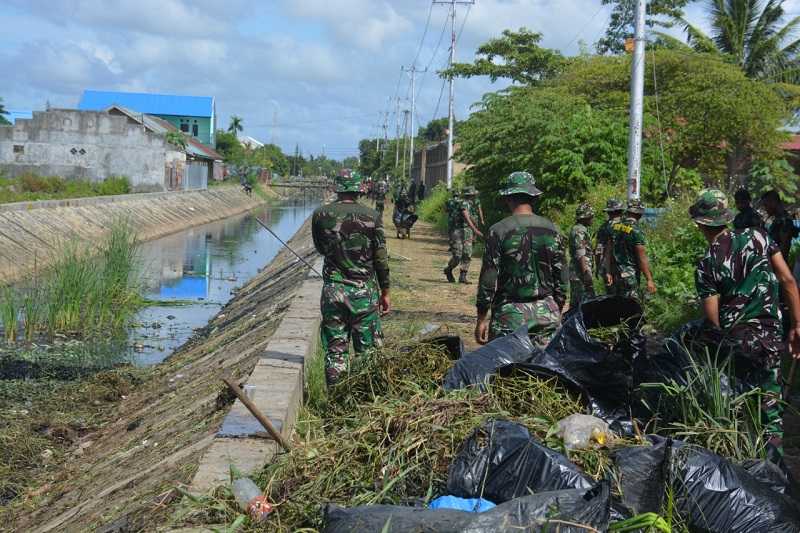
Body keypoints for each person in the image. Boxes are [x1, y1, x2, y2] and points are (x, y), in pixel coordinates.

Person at [689, 189, 800, 451]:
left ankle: (743, 467)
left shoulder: (706, 264)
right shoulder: (759, 237)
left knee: (736, 409)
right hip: (769, 338)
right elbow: (787, 280)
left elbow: (713, 321)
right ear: (725, 217)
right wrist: (796, 325)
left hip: (736, 347)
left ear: (700, 224)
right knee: (770, 413)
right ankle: (775, 474)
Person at [312, 170, 391, 386]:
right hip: (364, 294)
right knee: (368, 353)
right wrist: (385, 292)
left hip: (333, 293)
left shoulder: (320, 215)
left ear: (337, 188)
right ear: (358, 189)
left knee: (336, 351)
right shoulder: (373, 217)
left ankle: (337, 401)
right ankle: (365, 401)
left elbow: (320, 248)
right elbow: (381, 259)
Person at [475, 171, 566, 346]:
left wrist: (481, 318)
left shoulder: (498, 230)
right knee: (545, 370)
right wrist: (556, 309)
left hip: (509, 317)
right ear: (533, 198)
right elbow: (562, 278)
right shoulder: (553, 230)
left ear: (508, 198)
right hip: (547, 314)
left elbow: (488, 279)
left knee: (507, 371)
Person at [606, 199, 656, 298]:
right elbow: (641, 258)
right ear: (640, 214)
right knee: (632, 307)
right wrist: (649, 279)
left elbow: (608, 251)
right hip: (629, 276)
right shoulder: (636, 231)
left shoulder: (615, 227)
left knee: (618, 304)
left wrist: (608, 272)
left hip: (615, 273)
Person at [444, 186, 484, 284]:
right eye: (473, 195)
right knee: (457, 255)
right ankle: (449, 269)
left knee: (467, 253)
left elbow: (471, 216)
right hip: (457, 231)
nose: (474, 196)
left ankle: (463, 276)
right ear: (470, 195)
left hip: (467, 231)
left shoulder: (470, 203)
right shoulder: (463, 203)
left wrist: (475, 227)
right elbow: (466, 217)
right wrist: (476, 230)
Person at [569, 202, 595, 309]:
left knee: (576, 302)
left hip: (577, 272)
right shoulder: (580, 231)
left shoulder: (577, 229)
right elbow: (580, 253)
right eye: (591, 216)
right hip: (580, 273)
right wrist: (586, 273)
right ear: (585, 217)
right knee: (585, 303)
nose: (592, 218)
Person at [595, 198, 624, 291]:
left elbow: (598, 250)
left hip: (608, 267)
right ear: (620, 211)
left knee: (611, 297)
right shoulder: (627, 227)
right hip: (626, 268)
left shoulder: (604, 228)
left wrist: (597, 266)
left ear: (609, 212)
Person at [761, 190, 796, 261]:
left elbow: (783, 249)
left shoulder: (785, 221)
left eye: (766, 205)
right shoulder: (776, 220)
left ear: (773, 202)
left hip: (778, 265)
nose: (765, 208)